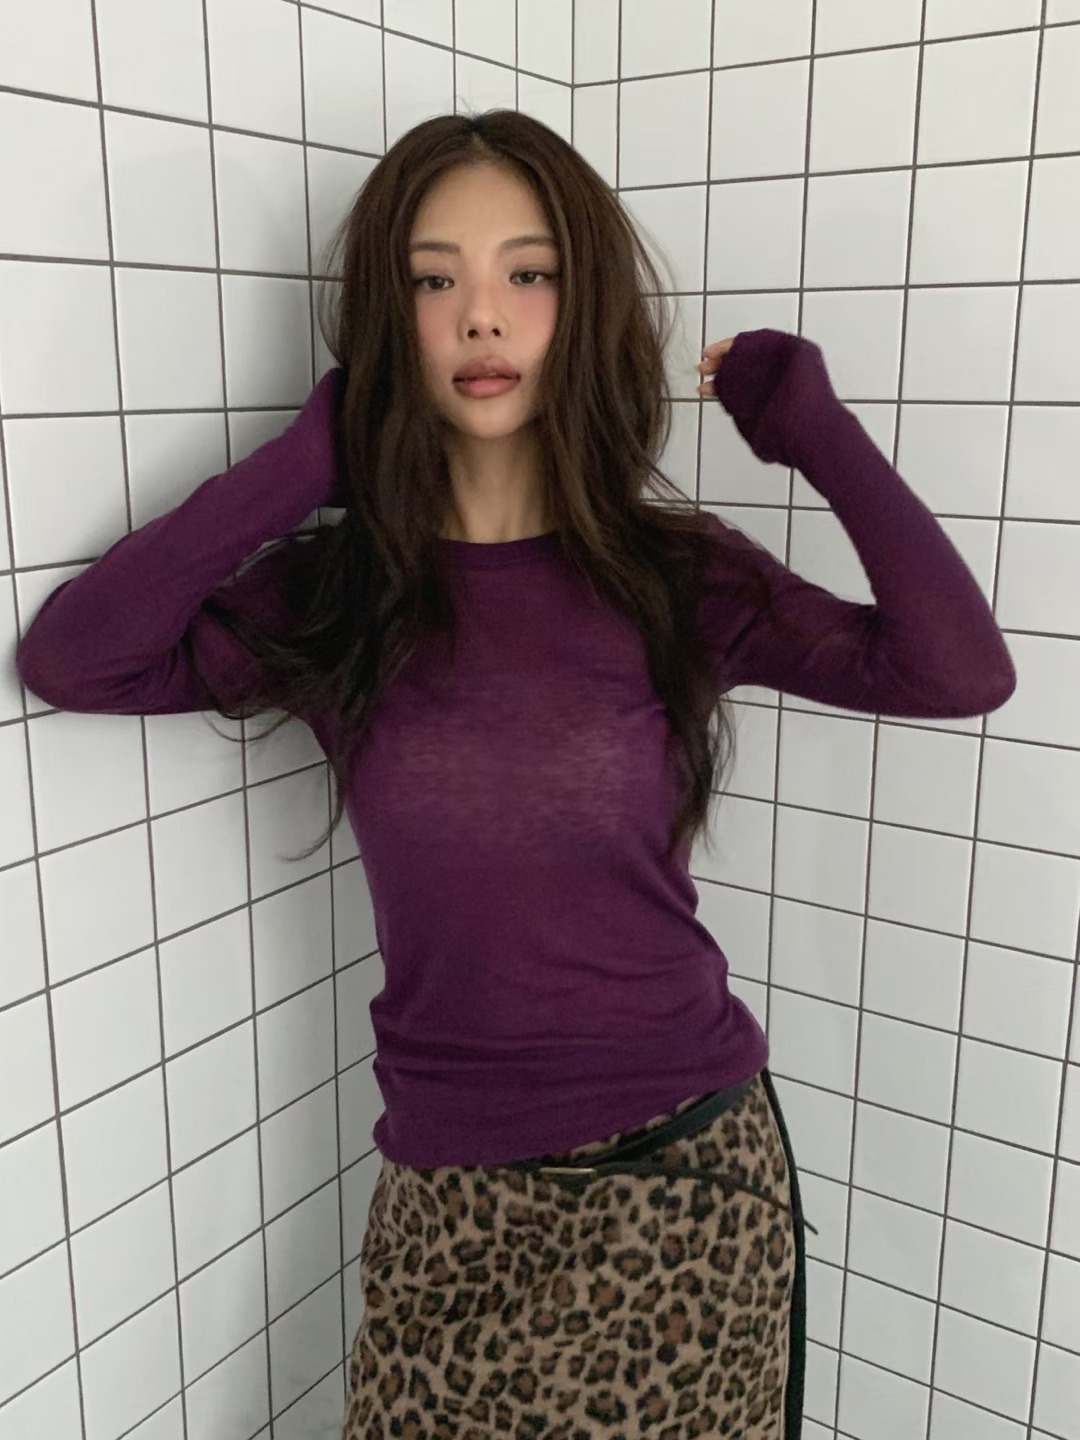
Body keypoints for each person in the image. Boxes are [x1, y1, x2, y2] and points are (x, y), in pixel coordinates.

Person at [15, 109, 1016, 1440]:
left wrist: (818, 436)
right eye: (433, 281)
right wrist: (302, 465)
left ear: (581, 302)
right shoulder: (340, 591)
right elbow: (74, 660)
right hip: (441, 1204)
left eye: (527, 273)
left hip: (676, 1190)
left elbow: (956, 673)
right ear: (391, 321)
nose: (480, 315)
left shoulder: (674, 576)